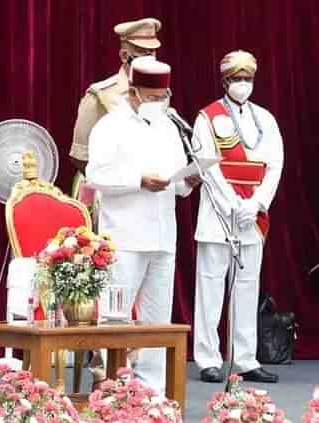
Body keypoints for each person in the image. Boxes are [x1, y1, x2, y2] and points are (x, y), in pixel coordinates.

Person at [86, 57, 195, 394]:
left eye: (162, 97)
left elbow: (177, 178)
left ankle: (152, 391)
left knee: (156, 319)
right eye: (150, 97)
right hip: (125, 235)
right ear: (132, 92)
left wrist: (189, 180)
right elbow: (96, 175)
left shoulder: (168, 126)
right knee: (115, 316)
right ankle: (110, 387)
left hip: (163, 235)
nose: (157, 103)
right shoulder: (110, 126)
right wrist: (138, 180)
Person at [192, 50, 283, 384]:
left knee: (247, 286)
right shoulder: (207, 117)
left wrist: (257, 203)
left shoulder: (266, 119)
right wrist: (232, 201)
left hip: (252, 217)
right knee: (211, 285)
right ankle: (208, 358)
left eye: (248, 79)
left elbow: (275, 165)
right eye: (237, 79)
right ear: (225, 81)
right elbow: (206, 164)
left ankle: (245, 358)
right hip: (219, 212)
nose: (243, 85)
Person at [69, 17, 161, 200]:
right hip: (110, 198)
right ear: (125, 56)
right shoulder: (99, 95)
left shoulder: (161, 94)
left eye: (153, 52)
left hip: (152, 195)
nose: (150, 59)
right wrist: (123, 180)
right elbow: (80, 156)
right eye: (143, 53)